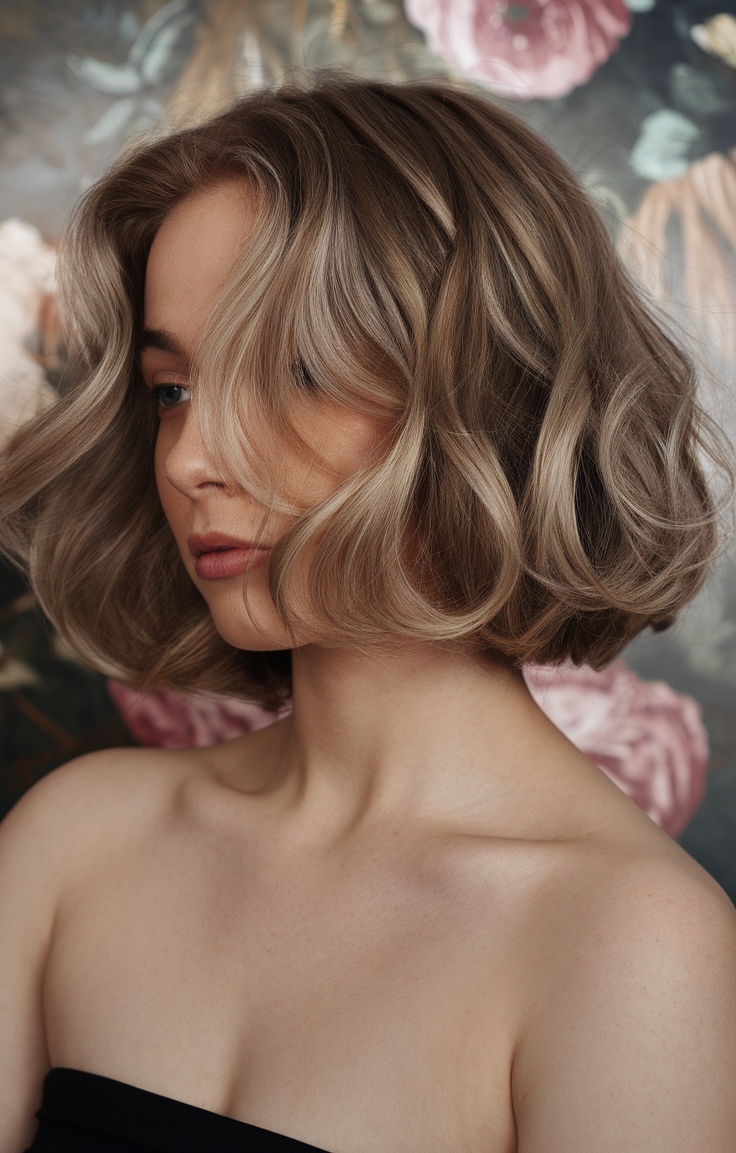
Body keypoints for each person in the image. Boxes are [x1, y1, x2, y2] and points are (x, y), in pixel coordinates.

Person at [1, 73, 735, 1153]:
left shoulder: (629, 947)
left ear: (489, 390)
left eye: (291, 371)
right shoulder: (75, 841)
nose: (194, 458)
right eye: (173, 389)